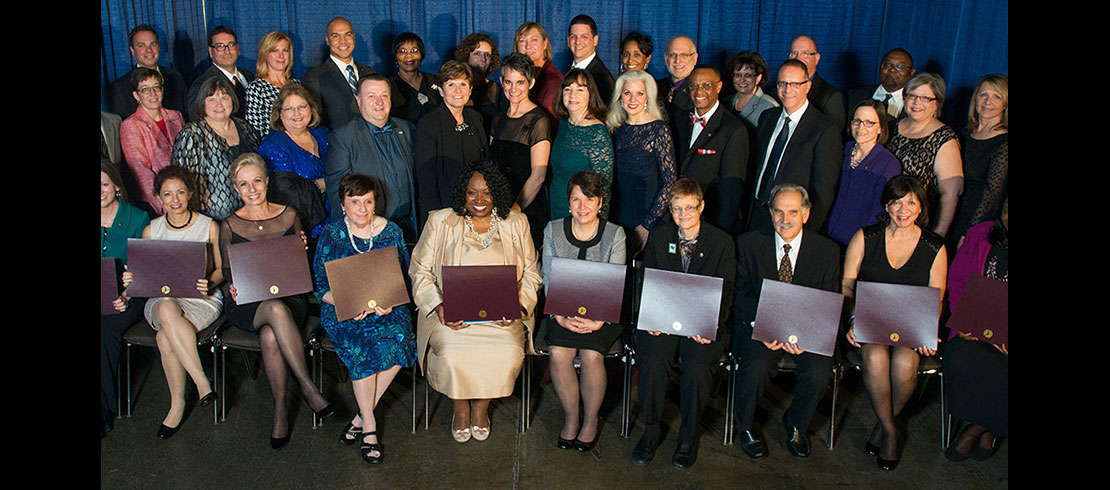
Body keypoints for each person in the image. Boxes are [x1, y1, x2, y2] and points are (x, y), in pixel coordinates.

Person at [409, 161, 542, 444]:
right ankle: (460, 408)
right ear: (462, 194)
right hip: (451, 314)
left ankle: (481, 408)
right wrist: (438, 307)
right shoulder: (441, 221)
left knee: (506, 351)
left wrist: (518, 308)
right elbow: (419, 269)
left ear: (498, 194)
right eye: (472, 193)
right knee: (452, 353)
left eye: (487, 193)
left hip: (502, 316)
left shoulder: (516, 223)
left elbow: (532, 273)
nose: (479, 200)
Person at [219, 153, 334, 448]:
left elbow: (300, 267)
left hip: (289, 297)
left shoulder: (289, 215)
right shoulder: (229, 226)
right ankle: (308, 387)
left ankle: (280, 409)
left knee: (270, 336)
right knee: (272, 310)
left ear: (267, 181)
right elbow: (230, 275)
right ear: (235, 188)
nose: (252, 189)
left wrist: (302, 250)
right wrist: (233, 286)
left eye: (257, 180)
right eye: (244, 184)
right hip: (247, 305)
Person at [843, 175, 947, 471]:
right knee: (875, 357)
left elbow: (936, 297)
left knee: (904, 364)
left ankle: (882, 425)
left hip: (910, 324)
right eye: (896, 202)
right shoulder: (865, 237)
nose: (903, 209)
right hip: (869, 320)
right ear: (886, 205)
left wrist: (928, 330)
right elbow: (847, 286)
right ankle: (890, 431)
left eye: (911, 202)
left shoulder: (934, 246)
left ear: (921, 207)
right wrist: (852, 319)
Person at [630, 178, 736, 468]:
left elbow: (727, 290)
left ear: (701, 206)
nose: (683, 215)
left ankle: (688, 434)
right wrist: (650, 316)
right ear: (670, 209)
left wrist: (710, 326)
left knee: (699, 366)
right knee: (652, 358)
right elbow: (648, 281)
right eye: (677, 209)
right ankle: (651, 428)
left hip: (703, 323)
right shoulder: (661, 237)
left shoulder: (721, 242)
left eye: (690, 208)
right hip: (663, 317)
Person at [731, 184, 841, 460]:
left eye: (793, 212)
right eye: (778, 211)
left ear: (806, 213)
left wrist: (804, 335)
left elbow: (827, 300)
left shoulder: (826, 251)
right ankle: (744, 427)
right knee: (755, 365)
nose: (784, 219)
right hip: (760, 326)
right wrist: (761, 325)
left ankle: (796, 425)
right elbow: (740, 295)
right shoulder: (749, 244)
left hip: (806, 331)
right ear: (770, 213)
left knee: (819, 371)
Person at [313, 174, 417, 464]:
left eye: (368, 201)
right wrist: (346, 301)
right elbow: (320, 285)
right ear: (342, 204)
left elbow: (402, 277)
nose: (362, 208)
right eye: (354, 202)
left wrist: (389, 301)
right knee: (363, 346)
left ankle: (360, 415)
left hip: (386, 307)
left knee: (401, 340)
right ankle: (370, 427)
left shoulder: (391, 231)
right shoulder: (332, 235)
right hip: (342, 310)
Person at [120, 166, 223, 439]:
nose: (174, 199)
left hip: (200, 298)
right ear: (158, 197)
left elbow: (222, 270)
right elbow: (141, 276)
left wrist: (211, 281)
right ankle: (202, 383)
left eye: (180, 192)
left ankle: (177, 404)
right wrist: (131, 279)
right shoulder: (151, 230)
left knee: (165, 338)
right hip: (162, 298)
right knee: (166, 305)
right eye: (167, 194)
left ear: (190, 193)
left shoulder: (208, 225)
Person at [541, 170, 626, 452]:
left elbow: (616, 283)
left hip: (604, 313)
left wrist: (598, 321)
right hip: (561, 310)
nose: (582, 206)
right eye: (576, 199)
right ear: (568, 203)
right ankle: (571, 417)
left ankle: (590, 420)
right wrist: (561, 316)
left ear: (600, 203)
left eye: (589, 199)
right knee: (559, 353)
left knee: (591, 356)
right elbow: (550, 279)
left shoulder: (615, 234)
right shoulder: (552, 230)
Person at [942, 197, 1007, 462]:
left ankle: (979, 428)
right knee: (961, 358)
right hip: (973, 329)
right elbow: (957, 280)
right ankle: (987, 428)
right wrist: (963, 319)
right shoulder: (981, 234)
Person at [747, 59, 841, 236]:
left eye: (795, 84)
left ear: (807, 86)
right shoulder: (768, 117)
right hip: (757, 214)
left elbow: (823, 192)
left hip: (791, 225)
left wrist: (807, 234)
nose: (787, 90)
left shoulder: (824, 129)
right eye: (782, 83)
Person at [323, 75, 419, 241]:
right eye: (371, 96)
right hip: (370, 234)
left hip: (410, 228)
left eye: (384, 96)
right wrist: (349, 240)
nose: (379, 102)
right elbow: (337, 194)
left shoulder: (407, 129)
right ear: (358, 100)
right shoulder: (343, 137)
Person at [101, 159, 151, 438]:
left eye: (104, 184)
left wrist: (126, 294)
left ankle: (105, 410)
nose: (100, 190)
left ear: (116, 186)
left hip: (128, 295)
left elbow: (144, 270)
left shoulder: (137, 218)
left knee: (104, 333)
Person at [171, 76, 261, 221]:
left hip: (250, 218)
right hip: (211, 222)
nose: (219, 104)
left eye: (224, 98)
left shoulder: (245, 127)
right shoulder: (192, 135)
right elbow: (183, 185)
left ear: (232, 100)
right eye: (211, 99)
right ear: (202, 103)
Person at [885, 73, 964, 238]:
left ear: (937, 104)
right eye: (912, 96)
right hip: (885, 219)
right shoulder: (892, 127)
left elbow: (950, 193)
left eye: (925, 98)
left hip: (917, 228)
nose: (916, 102)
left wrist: (937, 236)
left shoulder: (944, 139)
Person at [606, 70, 677, 253]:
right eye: (627, 93)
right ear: (620, 96)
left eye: (640, 93)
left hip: (650, 214)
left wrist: (647, 225)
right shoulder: (616, 129)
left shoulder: (659, 129)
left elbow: (669, 182)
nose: (632, 99)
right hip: (619, 213)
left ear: (648, 97)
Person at [673, 65, 749, 234]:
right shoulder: (679, 119)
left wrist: (718, 234)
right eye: (694, 86)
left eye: (706, 85)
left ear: (719, 87)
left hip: (710, 223)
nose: (699, 91)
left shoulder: (733, 130)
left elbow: (731, 191)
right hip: (678, 218)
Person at [490, 53, 554, 248]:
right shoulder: (498, 119)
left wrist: (514, 211)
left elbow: (538, 176)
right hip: (499, 207)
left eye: (520, 82)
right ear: (501, 81)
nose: (513, 89)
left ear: (531, 83)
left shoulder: (539, 121)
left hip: (527, 208)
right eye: (508, 82)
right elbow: (491, 166)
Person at [415, 60, 489, 223]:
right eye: (451, 85)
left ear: (470, 90)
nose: (458, 90)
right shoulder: (429, 123)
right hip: (443, 208)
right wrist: (434, 213)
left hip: (475, 206)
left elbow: (485, 163)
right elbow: (425, 173)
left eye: (463, 84)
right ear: (441, 91)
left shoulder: (475, 118)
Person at [824, 100, 902, 247]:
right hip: (826, 236)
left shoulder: (889, 163)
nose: (861, 127)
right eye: (857, 121)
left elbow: (880, 212)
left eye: (869, 123)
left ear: (880, 128)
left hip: (859, 242)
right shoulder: (841, 150)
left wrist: (863, 242)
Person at [257, 83, 331, 237]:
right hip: (303, 227)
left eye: (302, 106)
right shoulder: (273, 144)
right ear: (279, 113)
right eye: (289, 109)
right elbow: (285, 193)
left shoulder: (324, 134)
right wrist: (326, 183)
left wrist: (324, 183)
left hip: (337, 218)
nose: (296, 113)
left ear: (311, 109)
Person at [549, 69, 613, 220]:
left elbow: (605, 187)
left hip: (582, 215)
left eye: (580, 89)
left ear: (590, 94)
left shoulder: (597, 133)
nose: (572, 95)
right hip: (556, 207)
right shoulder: (563, 125)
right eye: (567, 89)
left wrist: (599, 229)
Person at [120, 67, 186, 214]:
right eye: (145, 89)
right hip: (155, 203)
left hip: (183, 195)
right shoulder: (131, 125)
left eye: (156, 87)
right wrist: (163, 205)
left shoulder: (176, 116)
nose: (152, 93)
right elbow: (141, 171)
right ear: (136, 96)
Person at [953, 74, 1007, 243]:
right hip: (952, 212)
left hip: (976, 221)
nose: (987, 102)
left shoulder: (1004, 143)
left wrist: (969, 232)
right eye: (983, 95)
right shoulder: (964, 134)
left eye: (996, 97)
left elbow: (992, 194)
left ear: (1005, 104)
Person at [301, 17, 377, 130]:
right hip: (338, 145)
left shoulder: (369, 72)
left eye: (347, 34)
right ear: (328, 40)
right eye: (335, 36)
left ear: (354, 38)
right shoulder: (314, 78)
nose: (343, 41)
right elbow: (315, 122)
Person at [107, 25, 188, 118]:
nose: (149, 50)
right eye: (141, 46)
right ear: (132, 50)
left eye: (153, 44)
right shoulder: (120, 87)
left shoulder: (175, 77)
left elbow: (185, 116)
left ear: (159, 47)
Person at [186, 26, 256, 121]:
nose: (227, 51)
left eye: (231, 45)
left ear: (238, 49)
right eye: (220, 46)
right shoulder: (201, 85)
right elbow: (197, 122)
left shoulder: (250, 76)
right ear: (211, 52)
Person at [787, 35, 846, 135]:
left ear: (817, 59)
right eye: (794, 53)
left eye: (805, 54)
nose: (798, 58)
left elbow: (832, 138)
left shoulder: (831, 96)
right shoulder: (777, 91)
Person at [245, 31, 298, 138]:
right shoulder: (256, 89)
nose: (281, 56)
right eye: (275, 51)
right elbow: (254, 132)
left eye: (285, 50)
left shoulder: (297, 84)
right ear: (265, 54)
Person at [845, 48, 916, 129]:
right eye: (887, 65)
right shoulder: (855, 96)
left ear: (912, 72)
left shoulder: (916, 104)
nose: (892, 70)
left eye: (900, 67)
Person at [453, 33, 502, 135]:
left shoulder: (494, 88)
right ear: (466, 56)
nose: (483, 59)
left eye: (487, 55)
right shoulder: (455, 87)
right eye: (477, 54)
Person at [389, 32, 443, 124]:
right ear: (395, 56)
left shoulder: (434, 80)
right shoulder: (389, 85)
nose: (408, 55)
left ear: (421, 54)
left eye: (414, 51)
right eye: (402, 51)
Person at [514, 21, 563, 120]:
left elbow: (551, 123)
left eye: (534, 40)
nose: (528, 46)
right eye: (522, 40)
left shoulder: (553, 81)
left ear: (545, 43)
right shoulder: (516, 77)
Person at [724, 51, 779, 132]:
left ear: (758, 78)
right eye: (738, 75)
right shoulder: (726, 101)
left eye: (748, 75)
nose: (742, 80)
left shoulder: (770, 106)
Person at [566, 14, 615, 103]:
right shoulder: (570, 70)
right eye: (573, 36)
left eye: (584, 37)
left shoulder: (602, 79)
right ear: (568, 41)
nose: (578, 41)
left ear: (595, 40)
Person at [656, 36, 698, 123]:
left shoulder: (700, 91)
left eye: (684, 55)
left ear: (695, 58)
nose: (677, 61)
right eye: (672, 55)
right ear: (666, 58)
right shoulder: (654, 87)